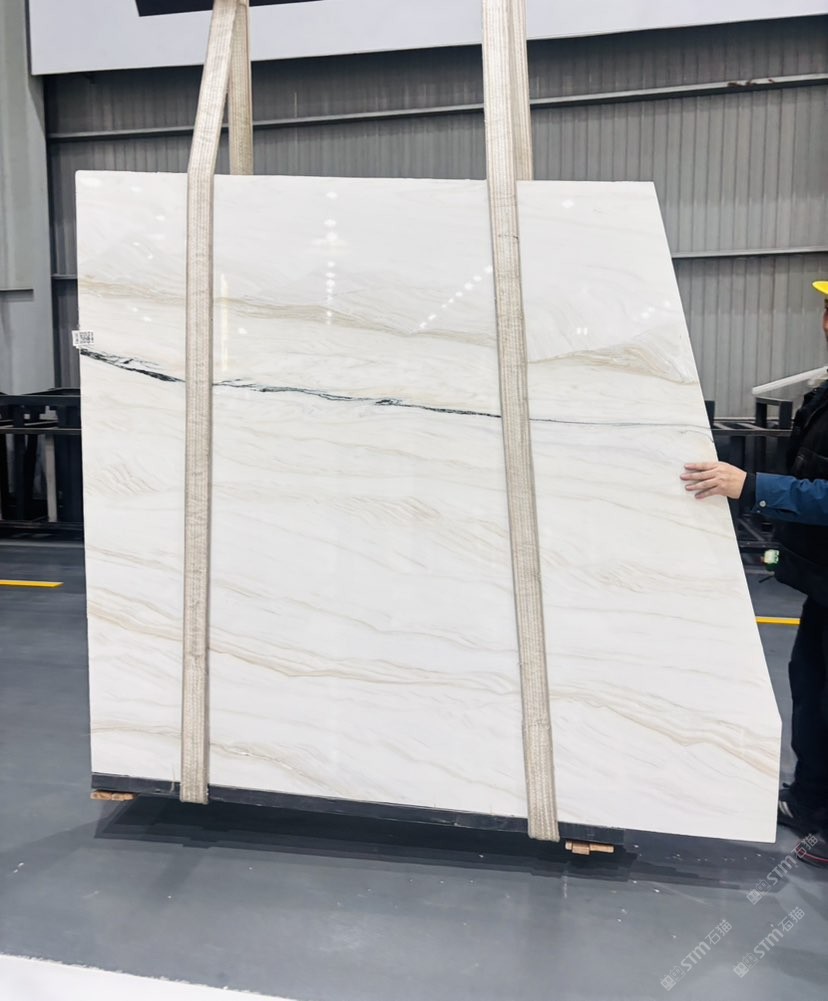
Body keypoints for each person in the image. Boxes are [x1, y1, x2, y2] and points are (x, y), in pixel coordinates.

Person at [682, 280, 828, 868]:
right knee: (811, 693)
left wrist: (754, 486)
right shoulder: (824, 393)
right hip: (822, 584)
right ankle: (810, 801)